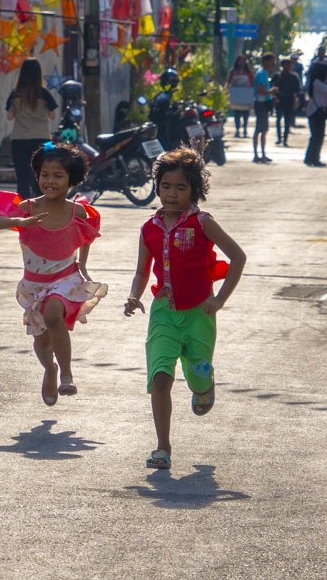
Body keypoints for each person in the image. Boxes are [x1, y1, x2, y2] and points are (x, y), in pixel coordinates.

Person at [123, 146, 246, 471]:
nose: (171, 194)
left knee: (197, 376)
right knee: (160, 379)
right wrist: (135, 296)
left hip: (198, 315)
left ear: (194, 190)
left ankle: (204, 386)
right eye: (165, 186)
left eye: (180, 187)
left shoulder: (203, 223)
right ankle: (162, 447)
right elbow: (141, 271)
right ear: (157, 186)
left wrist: (219, 300)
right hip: (163, 313)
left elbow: (238, 257)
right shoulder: (148, 228)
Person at [0, 143, 108, 407]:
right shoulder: (28, 208)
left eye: (58, 175)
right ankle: (50, 369)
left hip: (64, 279)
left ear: (71, 179)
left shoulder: (76, 211)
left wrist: (83, 266)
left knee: (54, 315)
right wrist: (17, 222)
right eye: (45, 174)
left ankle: (66, 372)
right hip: (33, 285)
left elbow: (87, 236)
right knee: (41, 342)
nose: (50, 181)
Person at [5, 59, 58, 200]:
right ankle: (41, 205)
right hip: (43, 139)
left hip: (19, 139)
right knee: (42, 173)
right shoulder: (44, 93)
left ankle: (23, 207)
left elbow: (10, 116)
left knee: (22, 176)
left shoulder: (15, 94)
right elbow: (52, 116)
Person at [302, 58, 327, 168]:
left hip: (319, 110)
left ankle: (312, 157)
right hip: (316, 111)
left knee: (318, 136)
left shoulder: (319, 82)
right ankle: (313, 158)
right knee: (317, 136)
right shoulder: (317, 82)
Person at [252, 52, 277, 164]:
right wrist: (271, 91)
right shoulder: (261, 74)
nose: (273, 63)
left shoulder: (264, 73)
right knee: (261, 130)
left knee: (261, 130)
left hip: (263, 104)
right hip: (261, 104)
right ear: (266, 61)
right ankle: (259, 155)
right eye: (272, 60)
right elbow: (261, 91)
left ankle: (261, 154)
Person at [225, 55, 254, 138]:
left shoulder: (248, 72)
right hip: (236, 96)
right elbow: (228, 82)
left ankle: (245, 129)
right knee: (237, 115)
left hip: (246, 97)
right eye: (240, 61)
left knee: (245, 114)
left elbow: (253, 82)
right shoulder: (233, 72)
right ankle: (237, 130)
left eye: (243, 61)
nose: (241, 63)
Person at [275, 57, 301, 148]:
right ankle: (279, 138)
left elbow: (297, 90)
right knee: (278, 119)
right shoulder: (277, 76)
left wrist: (298, 100)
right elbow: (273, 88)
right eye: (287, 65)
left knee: (287, 121)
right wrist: (275, 97)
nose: (289, 66)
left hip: (289, 100)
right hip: (279, 100)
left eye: (290, 65)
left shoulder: (294, 77)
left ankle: (285, 139)